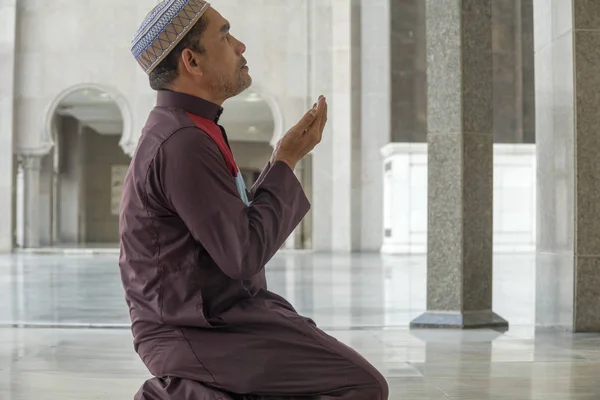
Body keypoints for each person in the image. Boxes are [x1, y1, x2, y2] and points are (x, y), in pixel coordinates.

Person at [120, 0, 389, 399]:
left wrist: (284, 159)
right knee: (359, 386)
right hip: (195, 330)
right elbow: (242, 254)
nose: (241, 46)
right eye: (225, 35)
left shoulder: (190, 129)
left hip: (217, 317)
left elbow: (234, 233)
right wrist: (285, 160)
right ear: (191, 61)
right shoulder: (182, 142)